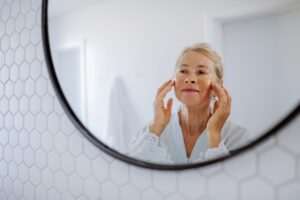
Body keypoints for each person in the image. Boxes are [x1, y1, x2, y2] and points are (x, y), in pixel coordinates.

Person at [128, 43, 250, 164]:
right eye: (183, 71)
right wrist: (156, 127)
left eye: (201, 72)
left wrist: (214, 134)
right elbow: (132, 174)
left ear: (219, 85)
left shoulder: (238, 137)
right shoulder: (150, 134)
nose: (189, 78)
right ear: (173, 79)